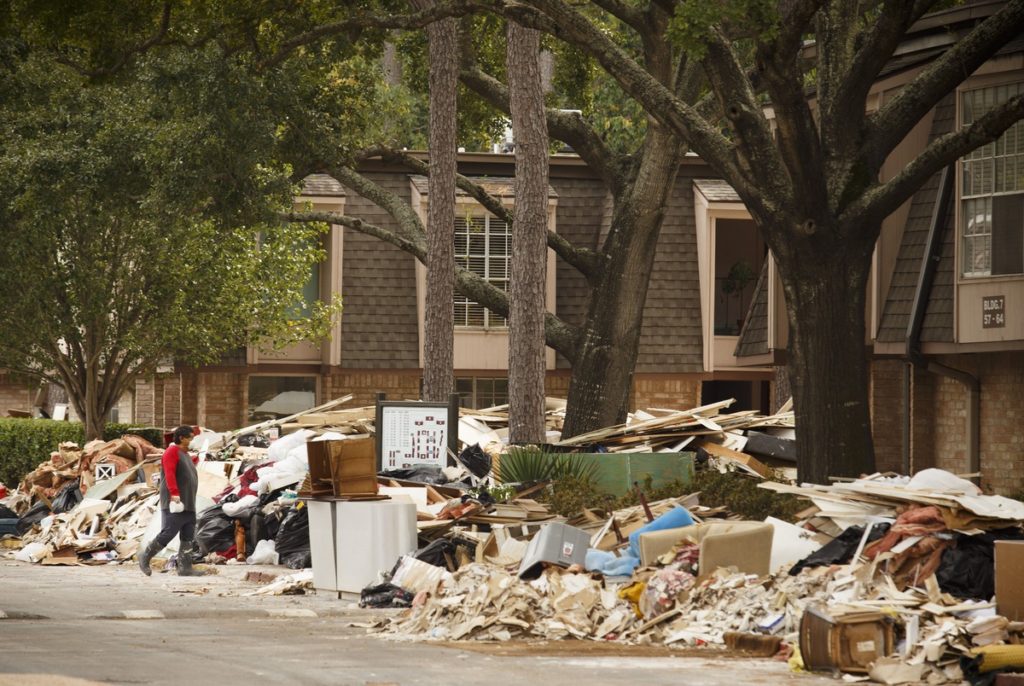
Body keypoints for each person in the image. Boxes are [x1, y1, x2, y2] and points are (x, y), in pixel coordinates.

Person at [138, 425, 203, 576]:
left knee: (188, 535)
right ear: (181, 438)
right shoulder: (172, 452)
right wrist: (174, 493)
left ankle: (185, 567)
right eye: (190, 437)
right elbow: (170, 474)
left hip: (188, 503)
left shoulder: (185, 455)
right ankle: (145, 556)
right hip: (176, 502)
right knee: (169, 532)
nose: (193, 440)